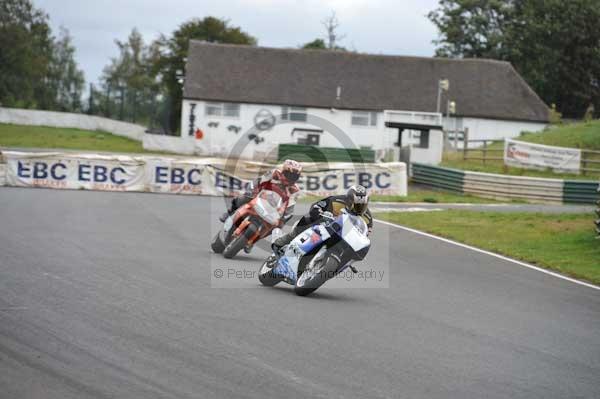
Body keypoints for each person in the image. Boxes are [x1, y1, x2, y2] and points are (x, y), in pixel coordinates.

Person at [272, 185, 373, 252]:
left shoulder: (367, 218)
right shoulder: (335, 200)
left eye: (361, 205)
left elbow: (364, 235)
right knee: (308, 218)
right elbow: (316, 206)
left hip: (341, 238)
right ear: (349, 200)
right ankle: (286, 239)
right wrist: (321, 213)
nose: (358, 208)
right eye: (355, 204)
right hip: (323, 226)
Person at [220, 159, 302, 224]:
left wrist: (285, 218)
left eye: (294, 176)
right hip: (260, 196)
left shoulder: (295, 190)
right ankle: (230, 213)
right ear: (283, 171)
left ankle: (253, 240)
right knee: (245, 197)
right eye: (289, 175)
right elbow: (258, 181)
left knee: (278, 224)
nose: (290, 178)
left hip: (275, 207)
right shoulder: (274, 173)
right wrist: (252, 192)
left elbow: (290, 205)